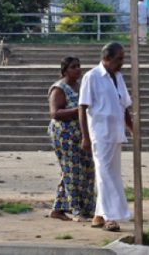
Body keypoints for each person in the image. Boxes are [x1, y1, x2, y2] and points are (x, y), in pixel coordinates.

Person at [79, 42, 133, 232]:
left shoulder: (118, 77)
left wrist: (132, 128)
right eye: (119, 59)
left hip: (116, 133)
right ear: (107, 58)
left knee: (112, 175)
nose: (122, 63)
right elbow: (82, 106)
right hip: (100, 134)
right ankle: (111, 217)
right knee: (105, 175)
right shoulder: (91, 76)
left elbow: (124, 105)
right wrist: (85, 136)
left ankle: (99, 214)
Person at [47, 56, 95, 221]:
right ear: (65, 70)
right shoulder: (59, 88)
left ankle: (59, 209)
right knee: (72, 171)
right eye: (74, 67)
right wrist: (78, 110)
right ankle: (76, 210)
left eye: (79, 66)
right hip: (64, 135)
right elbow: (55, 113)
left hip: (80, 133)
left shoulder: (80, 87)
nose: (78, 69)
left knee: (83, 171)